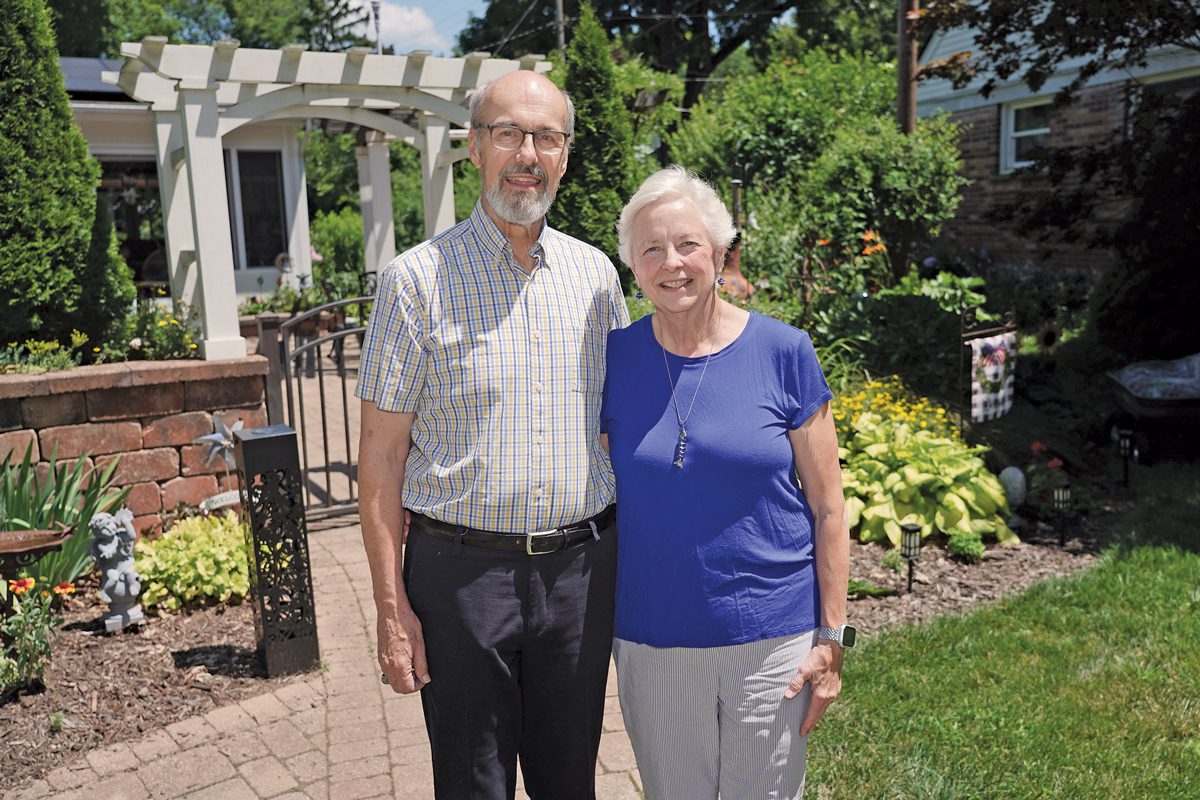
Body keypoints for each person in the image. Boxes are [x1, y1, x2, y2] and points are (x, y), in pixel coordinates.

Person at [355, 69, 629, 800]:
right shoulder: (414, 282)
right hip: (459, 580)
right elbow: (380, 458)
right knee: (474, 786)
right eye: (508, 133)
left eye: (546, 137)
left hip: (580, 575)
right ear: (473, 147)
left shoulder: (598, 279)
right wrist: (392, 611)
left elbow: (618, 428)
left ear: (566, 154)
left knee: (570, 782)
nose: (526, 154)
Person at [601, 165, 852, 799]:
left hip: (771, 639)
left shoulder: (783, 351)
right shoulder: (613, 360)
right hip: (651, 637)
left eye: (687, 244)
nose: (672, 263)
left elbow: (828, 509)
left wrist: (832, 638)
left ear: (719, 251)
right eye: (651, 248)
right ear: (634, 266)